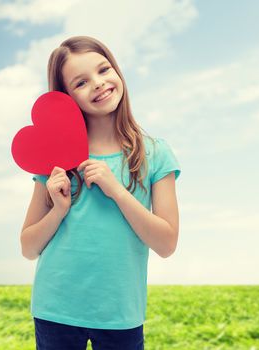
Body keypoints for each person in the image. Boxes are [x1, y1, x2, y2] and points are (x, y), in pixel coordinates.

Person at [20, 35, 181, 350]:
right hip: (56, 310)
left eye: (104, 69)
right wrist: (58, 209)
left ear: (117, 72)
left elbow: (167, 243)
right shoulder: (53, 157)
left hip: (120, 314)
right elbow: (28, 247)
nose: (98, 83)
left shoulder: (155, 153)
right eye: (80, 82)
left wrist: (117, 191)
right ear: (66, 97)